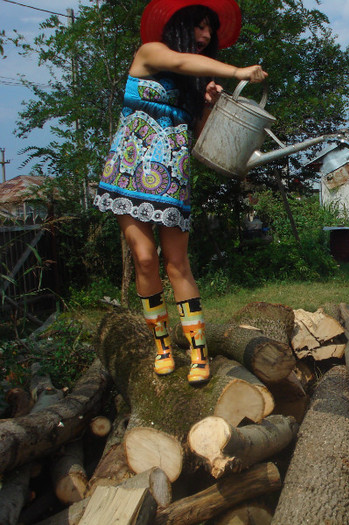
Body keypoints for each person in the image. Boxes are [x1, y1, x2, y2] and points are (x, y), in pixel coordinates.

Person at [93, 0, 267, 385]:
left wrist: (210, 103)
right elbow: (184, 62)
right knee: (143, 258)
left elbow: (201, 136)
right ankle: (162, 347)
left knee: (177, 263)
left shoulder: (194, 82)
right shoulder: (150, 53)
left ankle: (199, 351)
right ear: (179, 27)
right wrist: (239, 71)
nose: (206, 36)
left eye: (210, 30)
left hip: (171, 174)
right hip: (129, 168)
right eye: (200, 27)